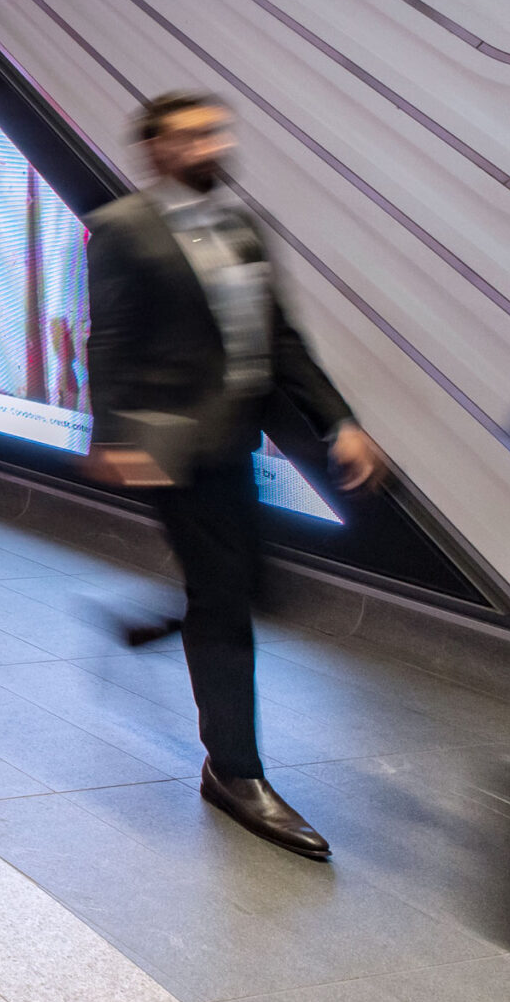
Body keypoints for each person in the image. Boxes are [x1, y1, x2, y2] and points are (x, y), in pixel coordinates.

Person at [85, 91, 390, 860]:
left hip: (234, 438)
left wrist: (341, 422)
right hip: (171, 444)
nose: (208, 145)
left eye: (214, 132)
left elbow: (281, 337)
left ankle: (163, 621)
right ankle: (235, 771)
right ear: (155, 148)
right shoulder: (124, 228)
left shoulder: (243, 225)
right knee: (226, 598)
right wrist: (115, 433)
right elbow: (109, 337)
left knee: (247, 584)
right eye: (188, 136)